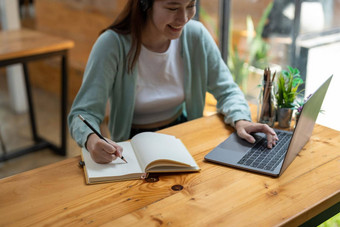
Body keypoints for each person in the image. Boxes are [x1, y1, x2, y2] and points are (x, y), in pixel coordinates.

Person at [68, 0, 278, 164]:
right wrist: (91, 139)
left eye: (190, 6)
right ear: (145, 3)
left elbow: (228, 91)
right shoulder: (112, 45)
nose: (184, 18)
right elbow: (82, 114)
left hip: (183, 136)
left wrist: (241, 120)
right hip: (131, 144)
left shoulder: (196, 36)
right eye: (172, 7)